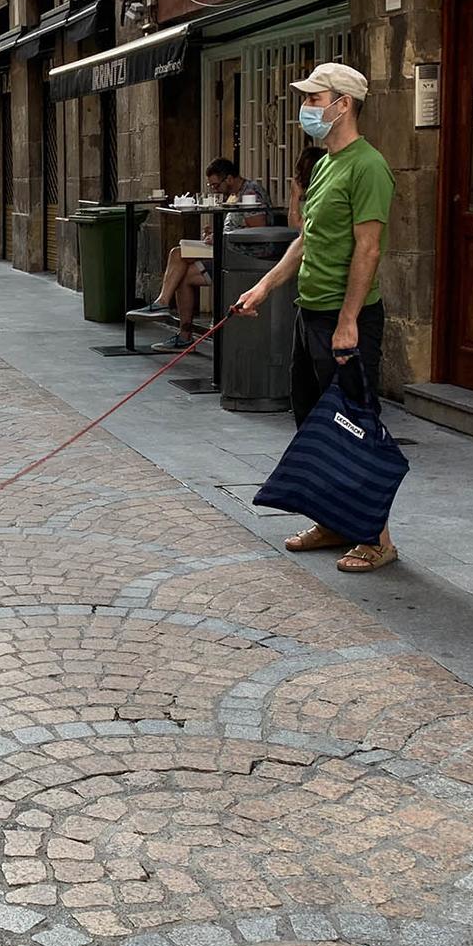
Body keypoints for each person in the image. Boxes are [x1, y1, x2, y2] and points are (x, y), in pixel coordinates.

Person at [235, 63, 398, 573]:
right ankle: (333, 521)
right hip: (312, 314)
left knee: (355, 428)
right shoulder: (327, 162)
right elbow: (308, 240)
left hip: (345, 321)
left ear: (343, 104)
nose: (307, 106)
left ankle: (376, 538)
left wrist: (349, 320)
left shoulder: (368, 167)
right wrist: (264, 286)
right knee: (314, 423)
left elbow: (368, 251)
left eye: (315, 97)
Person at [131, 158, 269, 349]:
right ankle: (171, 316)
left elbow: (258, 227)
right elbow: (239, 223)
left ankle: (174, 319)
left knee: (180, 263)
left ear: (229, 179)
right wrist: (214, 235)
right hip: (226, 247)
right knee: (177, 254)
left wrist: (220, 237)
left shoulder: (250, 192)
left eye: (215, 185)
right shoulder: (235, 194)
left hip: (241, 253)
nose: (214, 190)